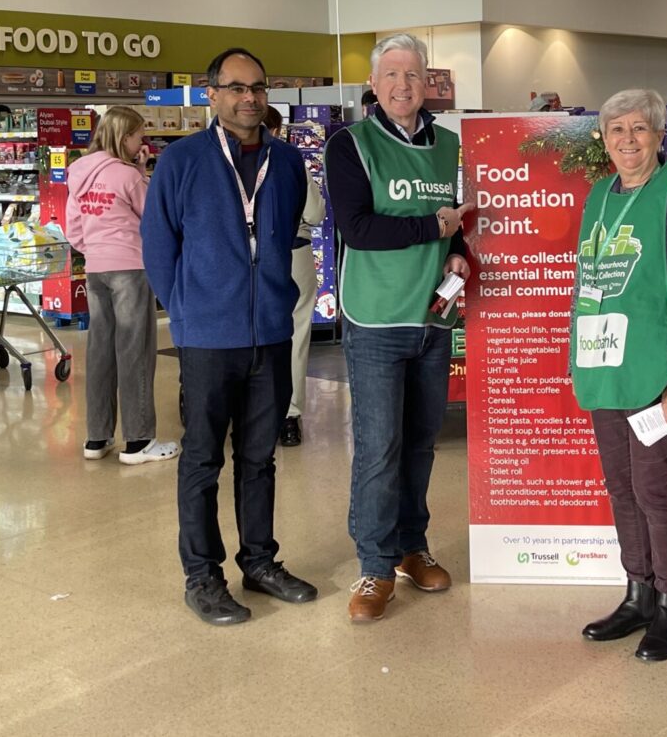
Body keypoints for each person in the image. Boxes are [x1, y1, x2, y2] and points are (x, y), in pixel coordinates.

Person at [142, 48, 317, 625]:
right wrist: (188, 310)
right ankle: (202, 576)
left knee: (259, 457)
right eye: (237, 88)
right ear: (211, 94)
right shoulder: (182, 160)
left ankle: (260, 562)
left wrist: (273, 298)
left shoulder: (288, 162)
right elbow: (159, 245)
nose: (249, 98)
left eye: (258, 88)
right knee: (201, 459)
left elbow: (286, 232)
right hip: (208, 336)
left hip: (268, 330)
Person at [325, 33, 473, 622]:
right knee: (380, 446)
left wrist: (457, 248)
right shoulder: (351, 145)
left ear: (427, 82)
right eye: (391, 75)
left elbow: (456, 220)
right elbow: (358, 229)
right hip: (377, 317)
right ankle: (374, 565)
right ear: (374, 82)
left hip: (434, 318)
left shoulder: (451, 147)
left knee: (419, 443)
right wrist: (431, 231)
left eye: (412, 75)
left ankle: (413, 547)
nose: (402, 86)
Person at [570, 89, 667, 662]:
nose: (627, 140)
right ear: (604, 140)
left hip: (654, 367)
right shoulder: (599, 196)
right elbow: (588, 281)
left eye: (639, 129)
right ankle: (636, 591)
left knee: (655, 489)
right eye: (616, 131)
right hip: (604, 363)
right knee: (620, 487)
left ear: (659, 135)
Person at [65, 106, 179, 465]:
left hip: (96, 270)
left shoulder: (79, 174)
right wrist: (142, 177)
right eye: (136, 136)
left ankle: (97, 438)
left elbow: (74, 229)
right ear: (122, 136)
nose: (140, 142)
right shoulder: (127, 176)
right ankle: (139, 441)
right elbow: (154, 218)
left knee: (100, 353)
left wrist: (97, 250)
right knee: (135, 351)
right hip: (130, 267)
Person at [262, 106, 327, 447]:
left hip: (249, 257)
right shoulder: (293, 163)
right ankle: (289, 416)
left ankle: (252, 413)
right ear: (277, 130)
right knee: (297, 334)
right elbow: (316, 213)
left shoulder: (230, 165)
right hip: (294, 252)